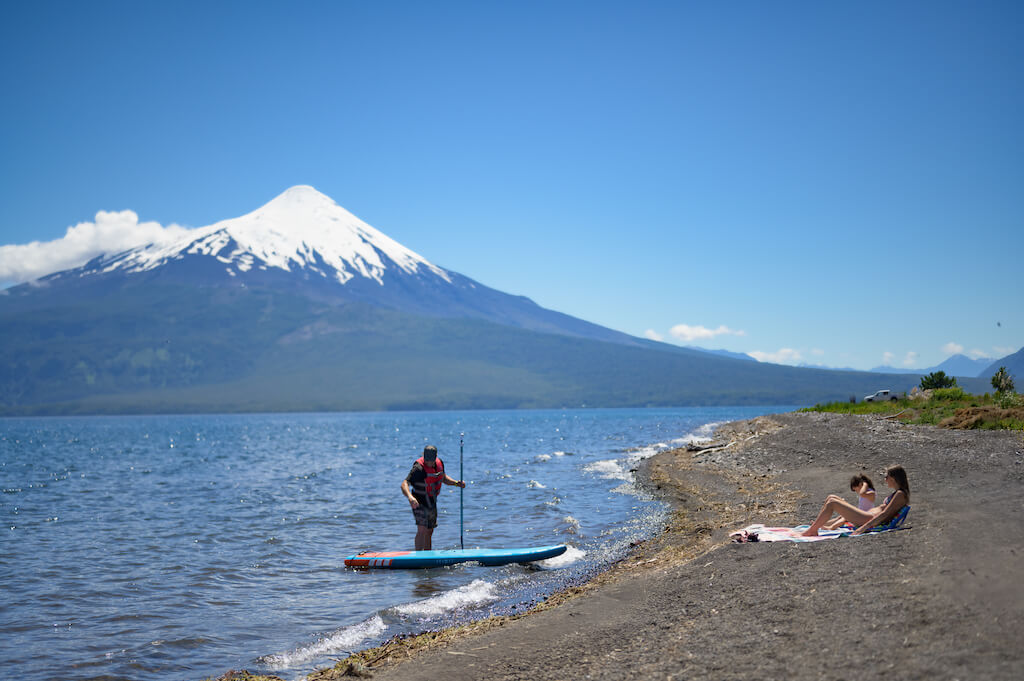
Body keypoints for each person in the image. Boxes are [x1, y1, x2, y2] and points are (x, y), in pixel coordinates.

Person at [801, 465, 909, 537]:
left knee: (832, 503)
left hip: (868, 518)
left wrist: (864, 527)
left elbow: (885, 514)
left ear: (894, 478)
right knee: (831, 497)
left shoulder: (900, 494)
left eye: (887, 476)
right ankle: (815, 526)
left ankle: (813, 530)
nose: (885, 479)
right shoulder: (898, 493)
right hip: (867, 515)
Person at [400, 445, 465, 551]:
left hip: (431, 500)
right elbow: (404, 483)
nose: (429, 462)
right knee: (422, 529)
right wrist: (410, 497)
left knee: (430, 530)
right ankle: (418, 556)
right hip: (418, 500)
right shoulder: (418, 468)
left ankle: (427, 554)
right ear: (423, 456)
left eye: (431, 460)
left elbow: (443, 478)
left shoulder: (439, 463)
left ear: (436, 457)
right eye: (427, 460)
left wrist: (456, 483)